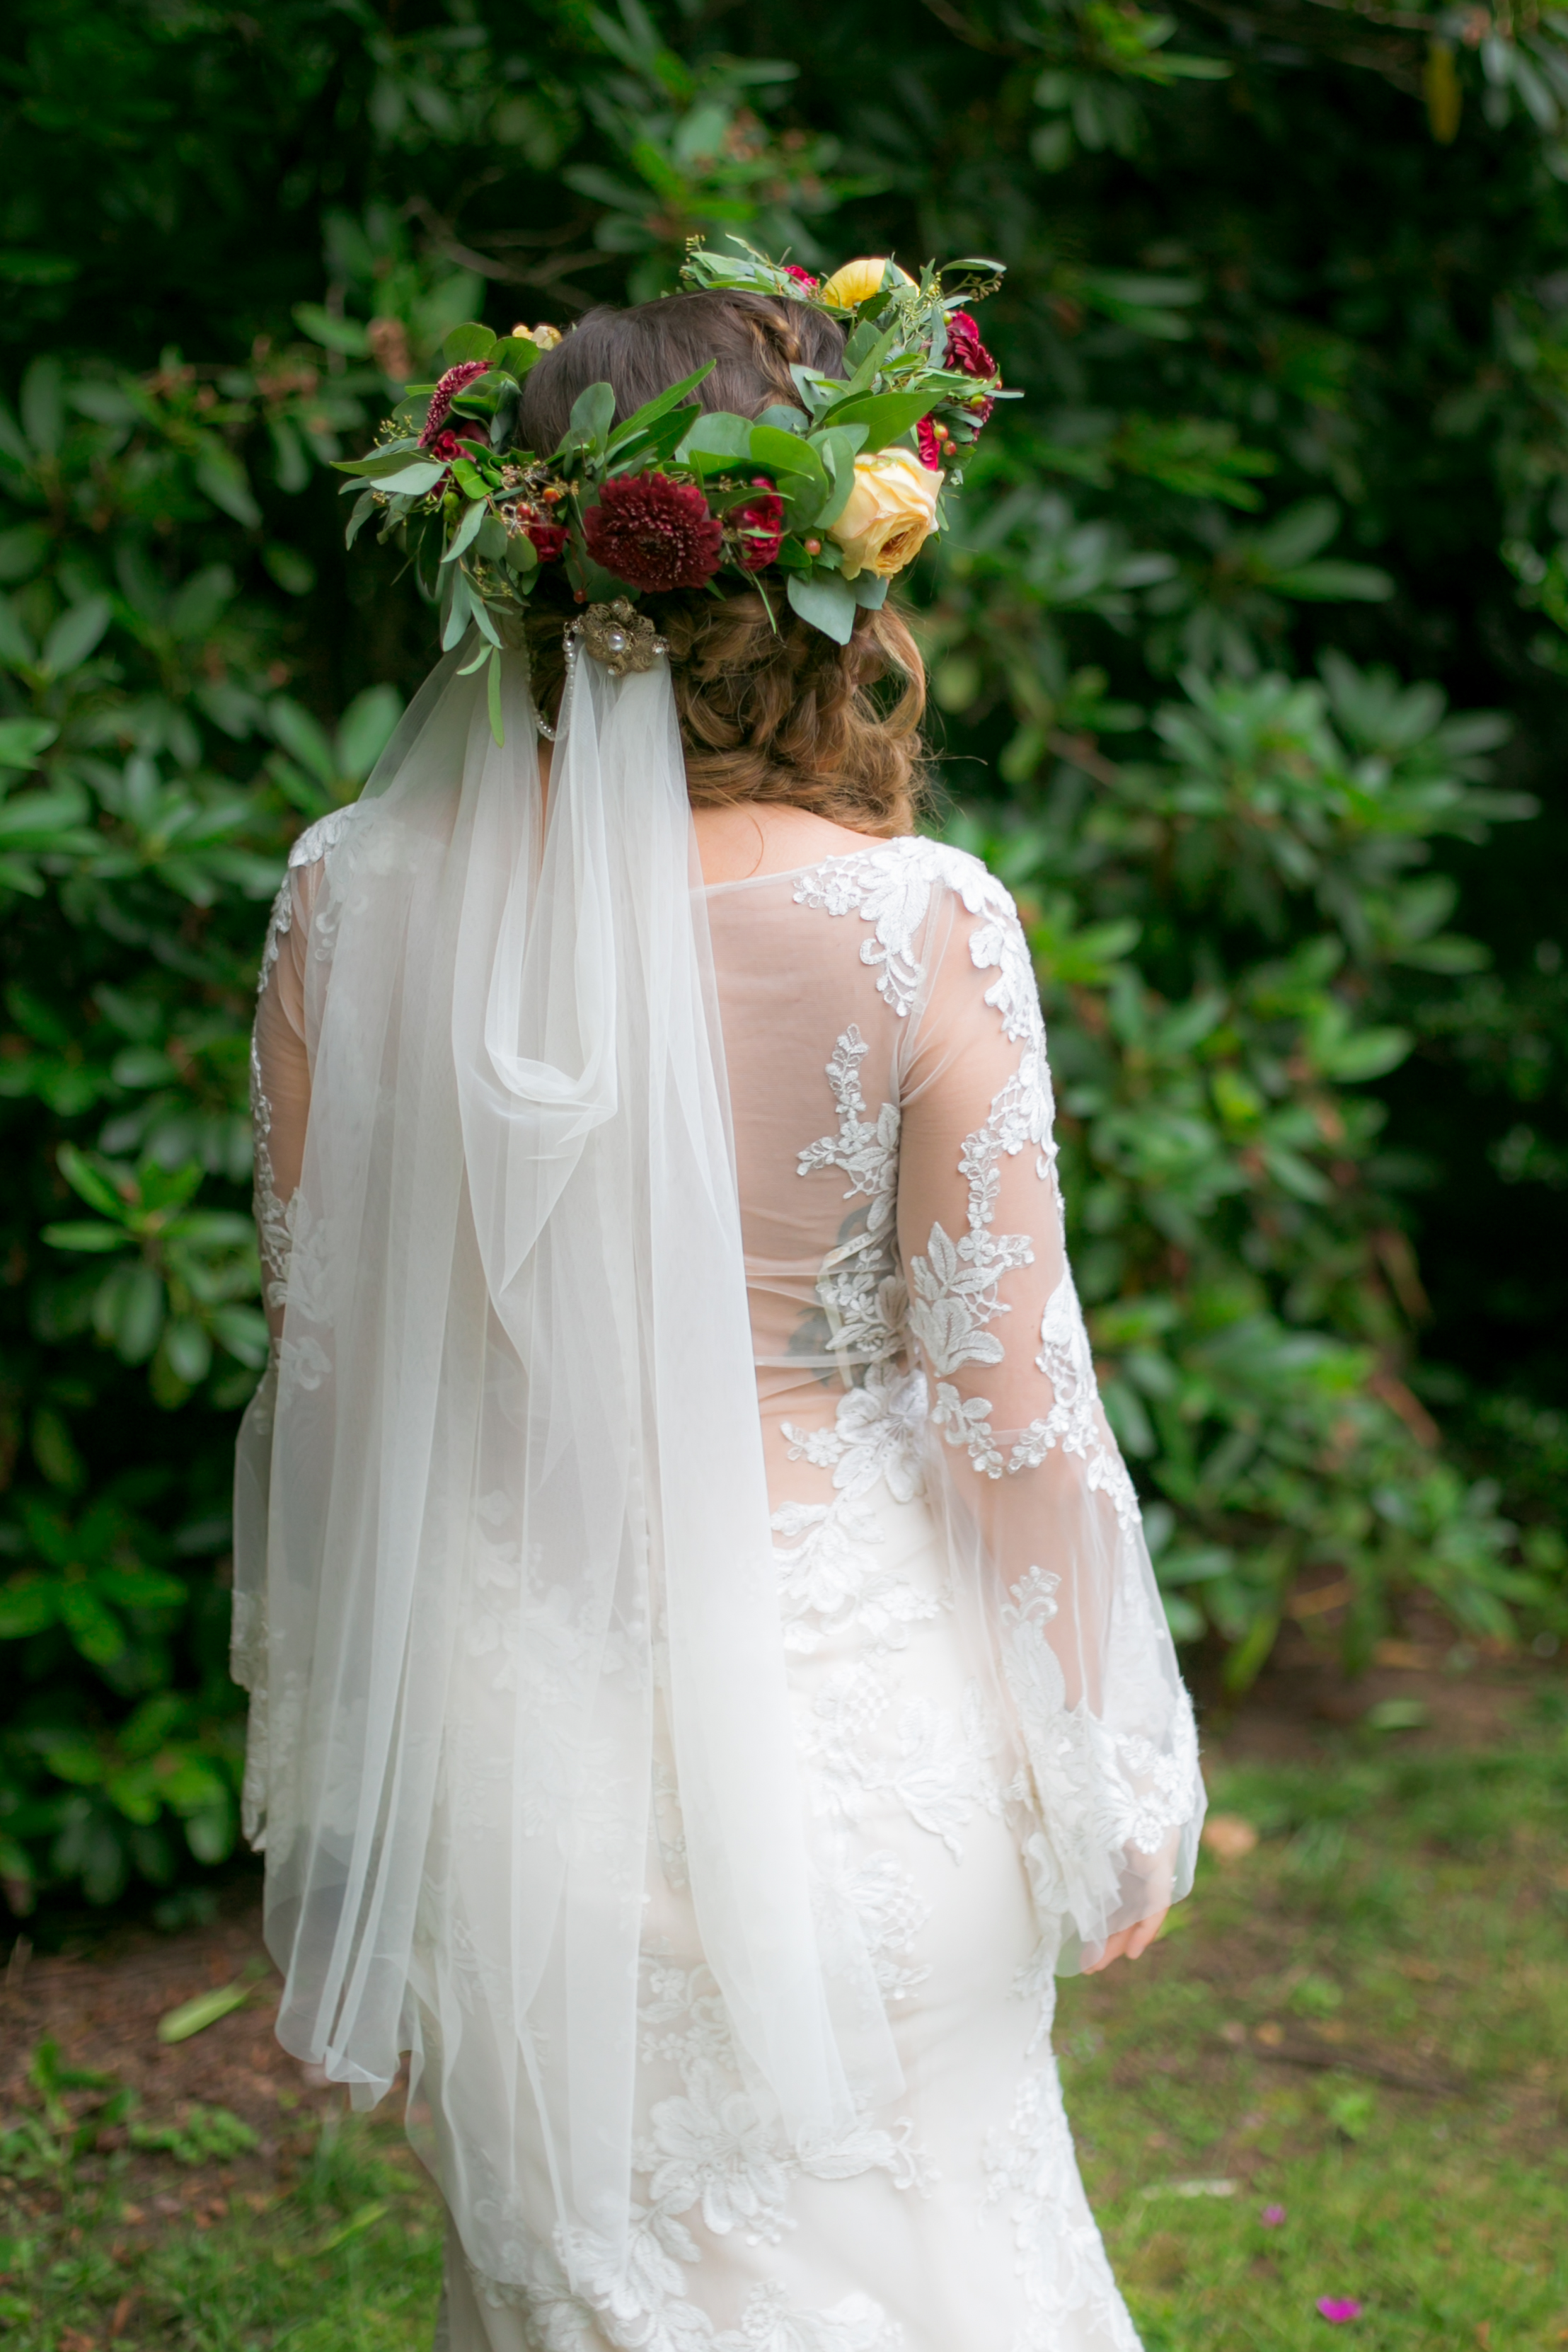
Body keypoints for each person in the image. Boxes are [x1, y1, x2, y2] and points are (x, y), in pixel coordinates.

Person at [234, 270, 1204, 2352]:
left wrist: (357, 1743)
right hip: (852, 1716)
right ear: (822, 566)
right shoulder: (915, 917)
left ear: (517, 555)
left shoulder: (345, 891)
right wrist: (1108, 1763)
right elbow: (1009, 1402)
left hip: (510, 1743)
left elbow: (322, 1354)